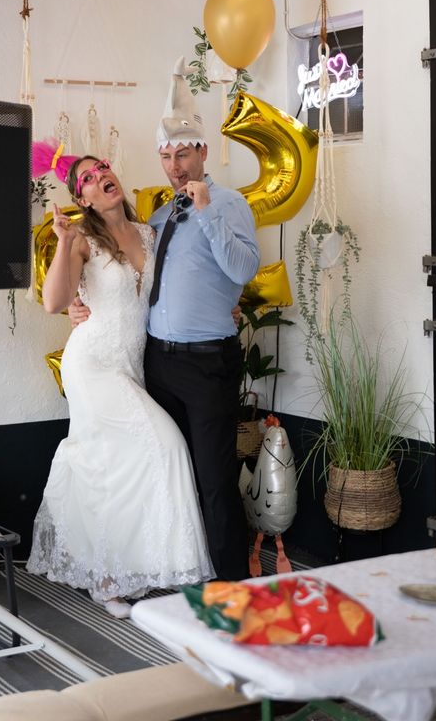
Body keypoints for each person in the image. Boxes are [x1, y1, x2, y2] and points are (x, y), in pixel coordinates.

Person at [70, 60, 260, 580]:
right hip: (157, 360)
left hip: (205, 364)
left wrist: (207, 212)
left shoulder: (228, 203)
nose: (175, 165)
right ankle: (179, 571)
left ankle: (230, 585)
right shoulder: (155, 219)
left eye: (184, 153)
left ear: (203, 151)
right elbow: (132, 280)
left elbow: (245, 268)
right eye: (167, 155)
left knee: (215, 477)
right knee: (165, 471)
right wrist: (76, 302)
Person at [27, 146, 214, 619]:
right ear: (83, 199)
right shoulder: (83, 239)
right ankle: (117, 574)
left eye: (102, 168)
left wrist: (219, 306)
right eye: (87, 178)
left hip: (131, 364)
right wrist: (65, 242)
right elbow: (55, 302)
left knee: (109, 467)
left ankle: (114, 571)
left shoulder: (150, 234)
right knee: (165, 443)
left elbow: (178, 288)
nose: (98, 176)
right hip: (91, 364)